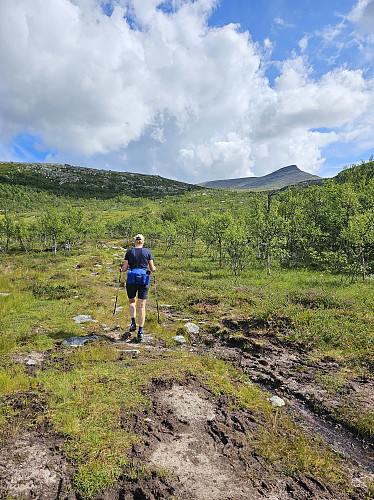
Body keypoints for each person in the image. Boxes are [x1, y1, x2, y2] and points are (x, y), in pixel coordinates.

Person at [120, 234, 156, 341]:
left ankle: (133, 322)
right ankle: (140, 331)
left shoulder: (129, 252)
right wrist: (154, 269)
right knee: (142, 305)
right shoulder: (148, 252)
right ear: (143, 242)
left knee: (132, 301)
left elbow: (124, 269)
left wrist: (121, 268)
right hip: (144, 280)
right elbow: (152, 268)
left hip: (131, 280)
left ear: (134, 242)